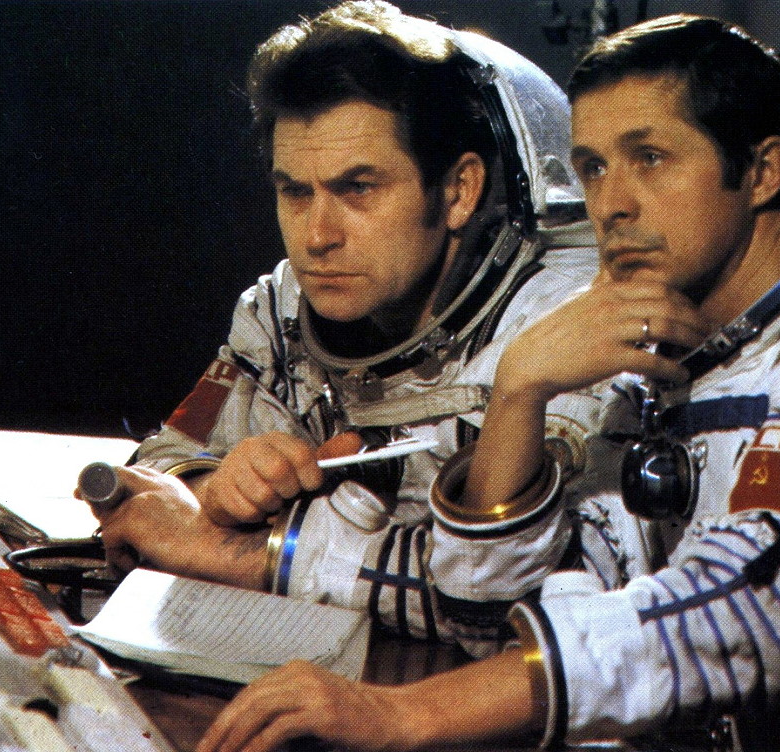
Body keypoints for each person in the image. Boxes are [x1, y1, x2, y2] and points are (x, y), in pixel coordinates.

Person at [193, 14, 780, 752]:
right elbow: (493, 613)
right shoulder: (672, 362)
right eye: (592, 166)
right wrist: (520, 390)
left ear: (763, 171)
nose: (612, 205)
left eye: (650, 158)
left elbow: (767, 606)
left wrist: (405, 714)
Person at [90, 0, 603, 644]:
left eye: (358, 189)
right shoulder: (280, 311)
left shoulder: (559, 329)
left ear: (458, 191)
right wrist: (214, 488)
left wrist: (237, 551)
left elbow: (528, 597)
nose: (317, 237)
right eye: (295, 191)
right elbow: (163, 460)